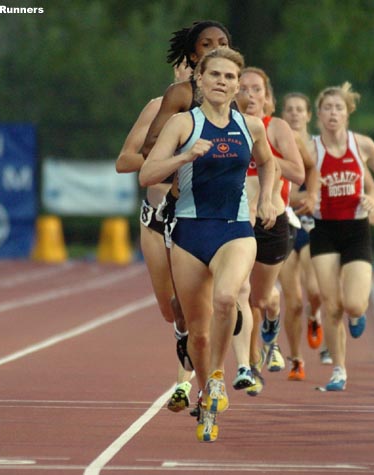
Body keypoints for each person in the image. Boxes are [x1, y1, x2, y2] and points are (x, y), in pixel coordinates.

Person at [139, 47, 278, 442]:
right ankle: (204, 396)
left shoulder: (251, 126)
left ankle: (217, 378)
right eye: (214, 74)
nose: (222, 81)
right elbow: (148, 174)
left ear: (238, 86)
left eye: (229, 77)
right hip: (188, 233)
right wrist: (183, 156)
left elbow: (268, 162)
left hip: (234, 230)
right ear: (199, 80)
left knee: (226, 298)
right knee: (196, 333)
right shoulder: (183, 124)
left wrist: (267, 198)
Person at [116, 60, 195, 412]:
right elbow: (125, 160)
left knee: (188, 301)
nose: (188, 72)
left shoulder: (215, 115)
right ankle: (190, 350)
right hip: (155, 218)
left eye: (195, 66)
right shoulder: (155, 108)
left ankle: (185, 382)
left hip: (194, 215)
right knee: (170, 309)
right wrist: (165, 154)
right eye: (183, 66)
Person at [310, 82, 374, 391]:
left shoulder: (363, 145)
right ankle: (339, 370)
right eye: (328, 108)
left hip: (356, 229)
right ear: (318, 114)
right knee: (331, 307)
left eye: (339, 108)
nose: (333, 113)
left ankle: (358, 316)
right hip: (324, 230)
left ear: (348, 113)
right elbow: (289, 176)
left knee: (354, 304)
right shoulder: (310, 148)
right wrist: (304, 196)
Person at [235, 68, 311, 395]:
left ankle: (272, 322)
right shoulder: (225, 127)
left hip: (272, 220)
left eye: (257, 90)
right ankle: (249, 365)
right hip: (235, 220)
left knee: (261, 296)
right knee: (240, 293)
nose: (250, 95)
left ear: (267, 97)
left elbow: (299, 170)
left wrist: (268, 160)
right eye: (243, 89)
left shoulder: (276, 127)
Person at [277, 92, 328, 382]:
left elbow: (319, 187)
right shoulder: (278, 144)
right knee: (293, 301)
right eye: (289, 109)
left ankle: (314, 317)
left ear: (309, 115)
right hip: (286, 224)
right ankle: (296, 360)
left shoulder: (317, 148)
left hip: (314, 225)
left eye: (299, 110)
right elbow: (281, 192)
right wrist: (303, 196)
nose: (294, 114)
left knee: (316, 292)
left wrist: (311, 194)